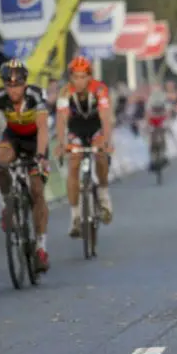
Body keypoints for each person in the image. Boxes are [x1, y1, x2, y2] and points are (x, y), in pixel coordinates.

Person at [0, 60, 51, 272]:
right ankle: (9, 205)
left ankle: (41, 247)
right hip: (13, 138)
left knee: (37, 190)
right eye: (9, 85)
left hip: (36, 139)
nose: (13, 89)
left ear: (25, 84)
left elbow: (43, 127)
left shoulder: (36, 95)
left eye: (17, 85)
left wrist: (41, 155)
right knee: (0, 164)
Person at [54, 56, 114, 238]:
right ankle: (75, 217)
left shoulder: (100, 89)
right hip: (76, 129)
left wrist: (107, 141)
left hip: (96, 128)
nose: (79, 81)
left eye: (83, 76)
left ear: (90, 77)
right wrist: (61, 143)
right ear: (71, 78)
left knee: (101, 156)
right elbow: (61, 120)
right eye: (76, 77)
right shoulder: (65, 92)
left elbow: (105, 117)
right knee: (74, 163)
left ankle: (103, 195)